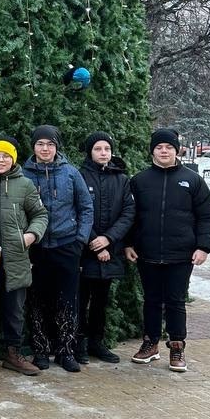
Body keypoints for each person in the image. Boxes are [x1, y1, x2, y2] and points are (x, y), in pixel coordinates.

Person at [126, 127, 210, 372]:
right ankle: (150, 343)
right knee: (152, 300)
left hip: (182, 253)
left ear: (176, 150)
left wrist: (203, 247)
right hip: (148, 252)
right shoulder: (140, 181)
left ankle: (177, 345)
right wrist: (129, 244)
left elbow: (207, 216)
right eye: (159, 147)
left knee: (176, 301)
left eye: (168, 147)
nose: (164, 151)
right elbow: (130, 216)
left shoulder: (193, 180)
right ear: (152, 151)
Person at [0, 139, 48, 377]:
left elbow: (40, 214)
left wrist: (31, 235)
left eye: (6, 156)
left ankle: (13, 354)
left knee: (15, 310)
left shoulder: (25, 185)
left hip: (16, 259)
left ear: (13, 159)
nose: (0, 160)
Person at [22, 125, 94, 373]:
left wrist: (80, 240)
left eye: (50, 144)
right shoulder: (23, 174)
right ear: (33, 147)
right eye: (40, 144)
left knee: (68, 301)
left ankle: (66, 350)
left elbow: (86, 207)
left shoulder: (71, 173)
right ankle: (40, 350)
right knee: (37, 300)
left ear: (56, 147)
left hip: (67, 246)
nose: (45, 149)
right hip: (37, 248)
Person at [77, 132, 135, 363]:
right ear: (90, 152)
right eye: (98, 149)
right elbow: (77, 211)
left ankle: (96, 343)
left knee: (102, 301)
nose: (103, 153)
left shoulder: (121, 179)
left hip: (111, 250)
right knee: (80, 299)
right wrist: (95, 243)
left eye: (107, 149)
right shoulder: (79, 176)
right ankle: (78, 343)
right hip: (85, 251)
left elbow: (128, 213)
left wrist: (109, 239)